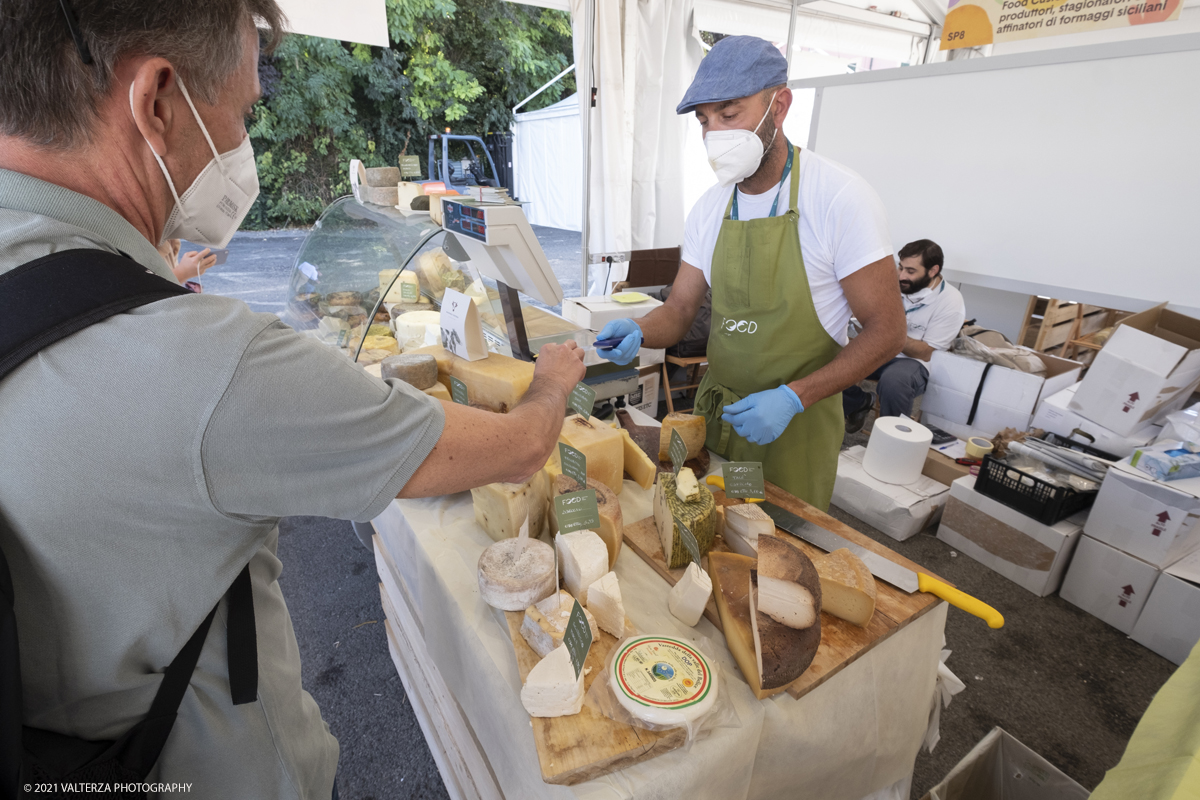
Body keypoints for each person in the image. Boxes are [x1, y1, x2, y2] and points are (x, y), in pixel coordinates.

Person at [0, 3, 585, 797]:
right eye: (241, 112)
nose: (243, 144)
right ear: (158, 101)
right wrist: (552, 383)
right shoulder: (199, 362)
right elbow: (516, 447)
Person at [595, 36, 905, 511]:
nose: (714, 132)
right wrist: (639, 330)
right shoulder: (710, 207)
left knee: (780, 558)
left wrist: (793, 398)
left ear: (778, 106)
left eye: (730, 113)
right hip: (716, 416)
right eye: (704, 120)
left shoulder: (840, 199)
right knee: (707, 540)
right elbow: (679, 310)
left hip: (794, 426)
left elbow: (888, 332)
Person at [843, 239, 966, 432]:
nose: (900, 276)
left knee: (895, 381)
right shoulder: (895, 283)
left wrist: (888, 333)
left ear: (932, 271)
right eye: (900, 268)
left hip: (914, 361)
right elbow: (870, 325)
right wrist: (861, 320)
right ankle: (859, 402)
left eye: (910, 271)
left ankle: (894, 442)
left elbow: (925, 352)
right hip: (879, 348)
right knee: (827, 360)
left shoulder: (951, 301)